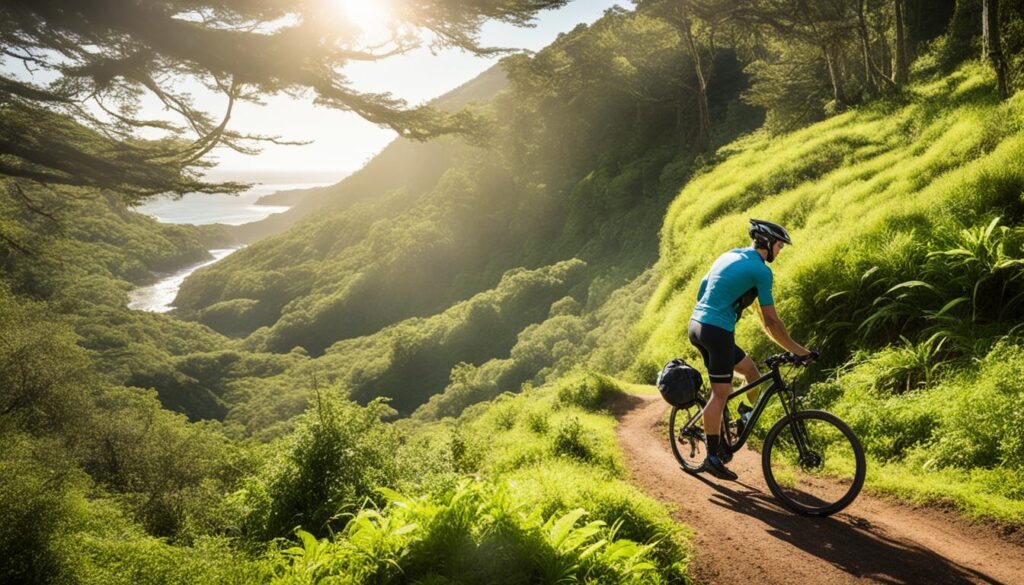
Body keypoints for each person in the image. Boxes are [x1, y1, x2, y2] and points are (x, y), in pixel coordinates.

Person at [688, 219, 814, 480]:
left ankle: (744, 416)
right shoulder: (762, 271)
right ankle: (712, 457)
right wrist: (800, 351)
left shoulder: (731, 254)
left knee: (750, 370)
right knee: (721, 393)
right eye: (779, 245)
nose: (780, 251)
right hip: (716, 330)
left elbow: (703, 288)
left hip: (698, 324)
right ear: (767, 244)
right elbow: (771, 322)